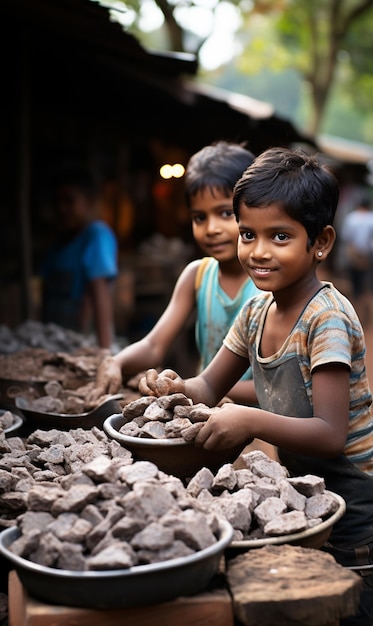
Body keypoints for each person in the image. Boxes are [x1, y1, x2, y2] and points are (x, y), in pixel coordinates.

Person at [139, 147, 373, 626]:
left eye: (280, 236)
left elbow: (329, 433)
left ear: (321, 243)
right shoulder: (255, 312)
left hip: (355, 500)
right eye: (249, 234)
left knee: (347, 602)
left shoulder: (326, 318)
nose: (258, 251)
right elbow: (208, 385)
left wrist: (246, 420)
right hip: (307, 488)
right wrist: (171, 386)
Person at [88, 141, 261, 405]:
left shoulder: (268, 283)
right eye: (199, 217)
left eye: (226, 213)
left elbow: (278, 387)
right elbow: (154, 346)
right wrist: (116, 362)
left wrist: (195, 387)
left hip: (259, 426)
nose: (211, 228)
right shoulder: (198, 276)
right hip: (203, 412)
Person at [40, 163, 118, 349]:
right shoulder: (59, 241)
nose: (62, 208)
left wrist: (104, 351)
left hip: (84, 342)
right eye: (57, 202)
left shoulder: (96, 236)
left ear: (90, 201)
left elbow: (100, 293)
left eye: (69, 201)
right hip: (55, 340)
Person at [340, 195, 373, 325]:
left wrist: (353, 254)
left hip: (353, 256)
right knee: (365, 285)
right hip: (367, 257)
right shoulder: (371, 218)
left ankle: (353, 315)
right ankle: (364, 314)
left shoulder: (351, 218)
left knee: (354, 284)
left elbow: (346, 238)